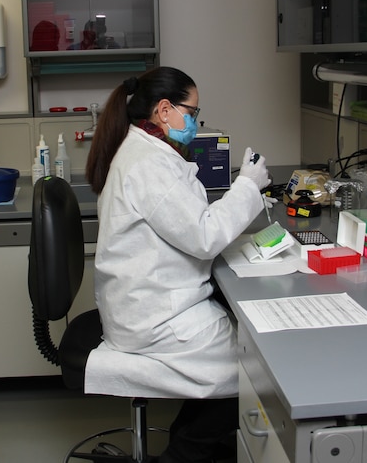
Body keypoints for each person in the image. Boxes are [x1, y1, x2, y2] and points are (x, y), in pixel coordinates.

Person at [84, 67, 271, 463]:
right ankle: (183, 453)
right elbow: (204, 236)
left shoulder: (146, 151)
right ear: (164, 109)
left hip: (153, 304)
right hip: (153, 318)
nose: (195, 123)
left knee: (240, 357)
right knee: (259, 367)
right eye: (193, 112)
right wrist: (248, 186)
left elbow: (188, 222)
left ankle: (186, 442)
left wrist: (241, 198)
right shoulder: (148, 163)